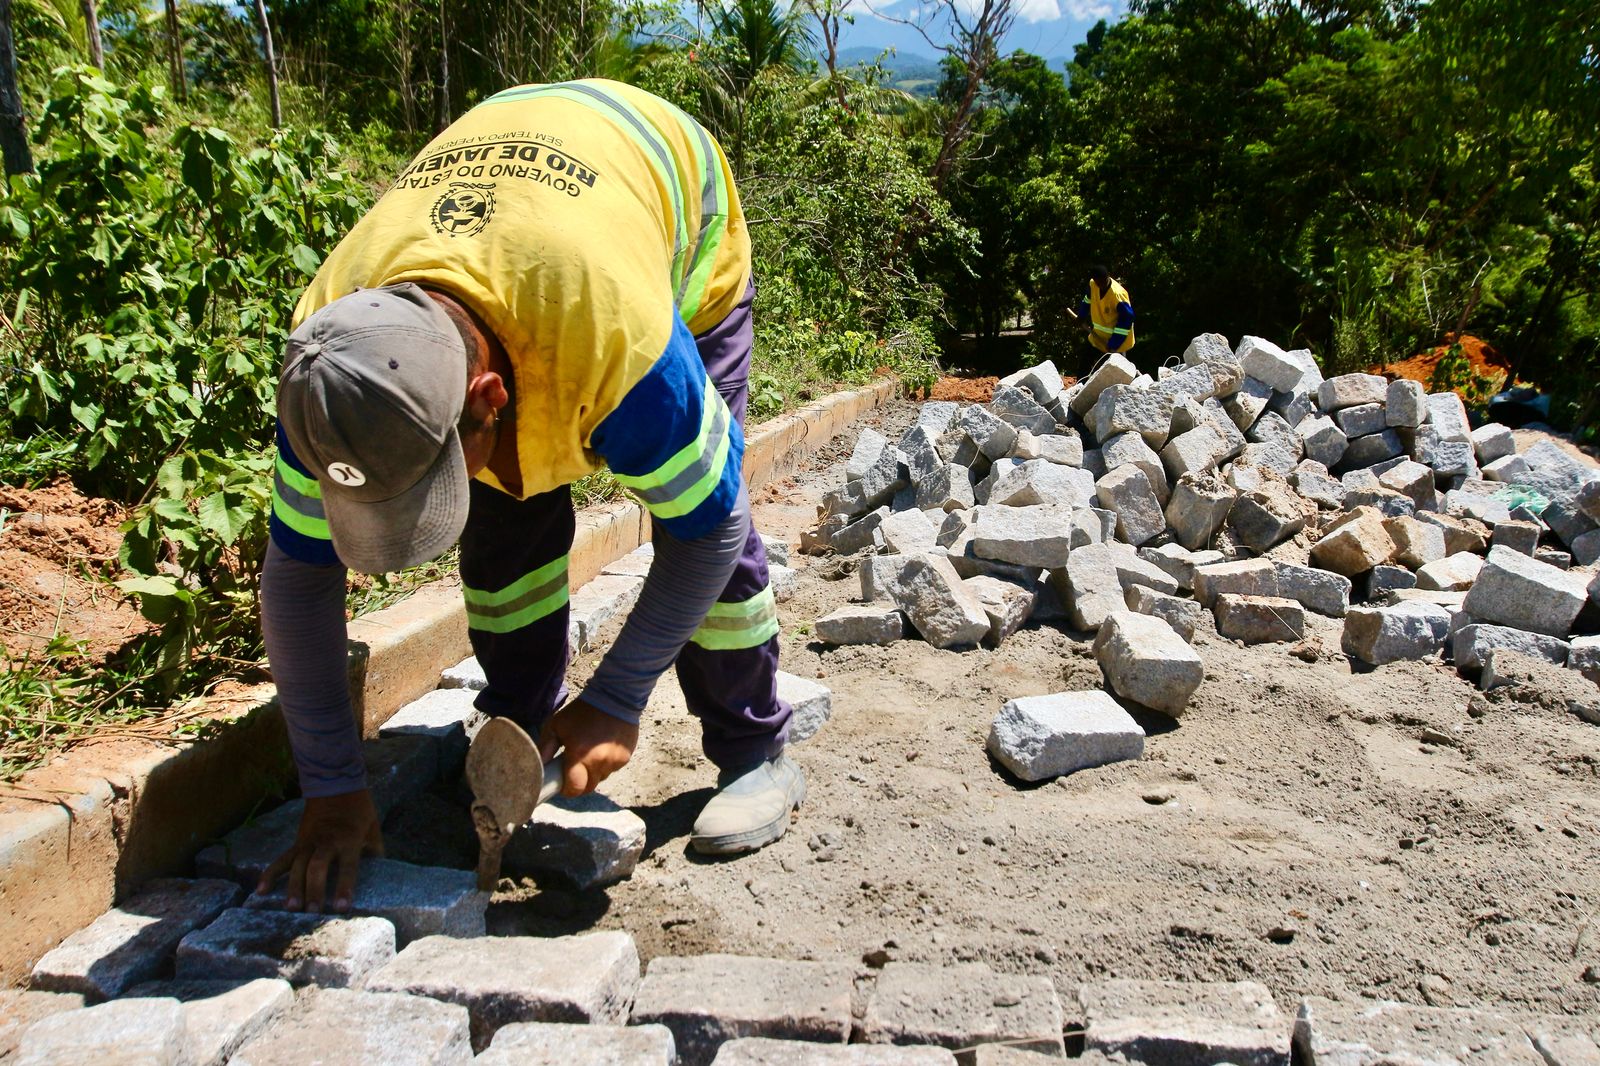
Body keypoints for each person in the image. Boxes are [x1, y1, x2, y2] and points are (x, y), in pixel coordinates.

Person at [257, 79, 803, 914]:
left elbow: (710, 529)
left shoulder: (623, 343)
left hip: (668, 227)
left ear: (487, 398)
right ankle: (521, 737)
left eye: (440, 471)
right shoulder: (332, 370)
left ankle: (755, 747)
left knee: (701, 516)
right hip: (513, 213)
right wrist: (330, 787)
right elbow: (298, 580)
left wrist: (618, 697)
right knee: (503, 533)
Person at [1076, 265, 1135, 355]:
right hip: (1097, 338)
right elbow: (1087, 300)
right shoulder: (1093, 285)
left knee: (1115, 368)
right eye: (1099, 283)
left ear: (1108, 277)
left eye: (1104, 282)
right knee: (1085, 365)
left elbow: (1126, 321)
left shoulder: (1117, 295)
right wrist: (1081, 316)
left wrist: (1114, 343)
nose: (1102, 286)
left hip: (1116, 345)